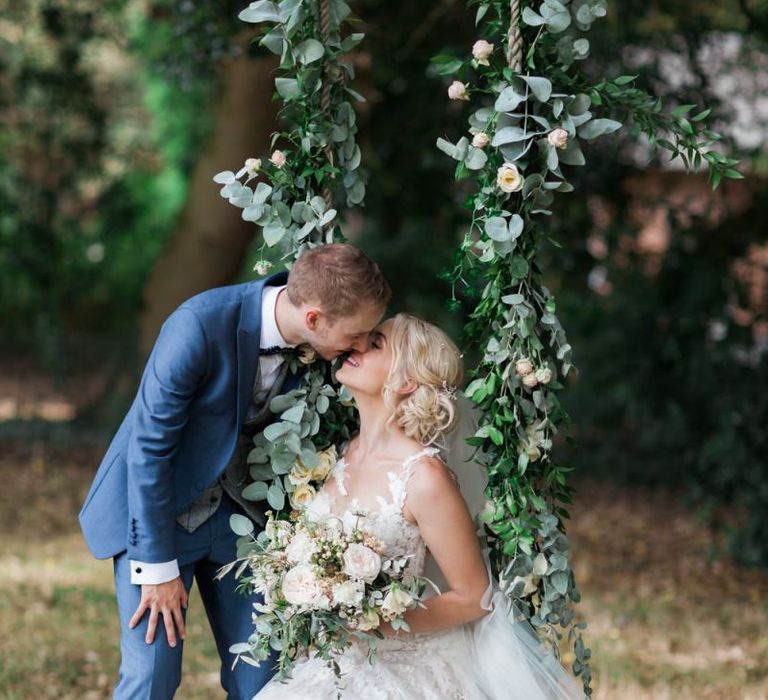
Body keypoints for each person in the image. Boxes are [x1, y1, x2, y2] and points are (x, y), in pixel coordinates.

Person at [78, 243, 391, 699]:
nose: (361, 345)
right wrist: (156, 567)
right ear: (314, 320)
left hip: (246, 524)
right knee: (151, 677)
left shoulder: (324, 354)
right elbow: (148, 450)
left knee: (264, 678)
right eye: (357, 334)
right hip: (158, 518)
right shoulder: (198, 324)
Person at [255, 313, 584, 699]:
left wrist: (378, 621)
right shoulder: (340, 456)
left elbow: (474, 596)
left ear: (407, 381)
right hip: (332, 661)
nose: (355, 346)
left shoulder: (423, 478)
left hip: (402, 666)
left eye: (375, 343)